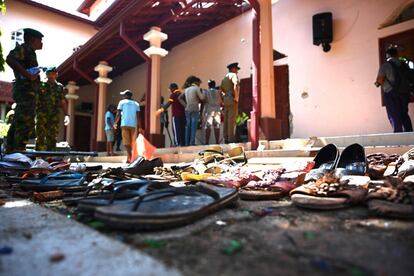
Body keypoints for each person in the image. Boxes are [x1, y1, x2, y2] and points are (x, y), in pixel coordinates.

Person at [5, 28, 44, 152]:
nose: (42, 43)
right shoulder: (25, 48)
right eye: (40, 40)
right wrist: (28, 75)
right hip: (25, 92)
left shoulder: (30, 51)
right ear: (33, 39)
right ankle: (19, 150)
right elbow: (10, 59)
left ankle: (11, 150)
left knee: (18, 120)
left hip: (27, 92)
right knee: (25, 122)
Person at [375, 46, 413, 133]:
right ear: (397, 54)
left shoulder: (385, 65)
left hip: (391, 93)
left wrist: (377, 84)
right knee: (404, 114)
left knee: (394, 115)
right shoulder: (404, 64)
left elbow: (379, 80)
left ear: (387, 55)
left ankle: (398, 137)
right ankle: (410, 135)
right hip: (405, 93)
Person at [35, 66, 69, 151]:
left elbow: (63, 101)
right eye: (48, 74)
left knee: (52, 137)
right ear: (46, 75)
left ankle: (50, 157)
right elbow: (35, 100)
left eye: (52, 74)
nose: (50, 76)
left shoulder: (59, 87)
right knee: (40, 136)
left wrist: (67, 114)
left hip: (54, 116)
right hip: (41, 115)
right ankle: (38, 158)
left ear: (56, 75)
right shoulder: (41, 85)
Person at [114, 90, 140, 163]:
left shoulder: (121, 102)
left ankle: (130, 157)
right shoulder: (136, 104)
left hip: (124, 124)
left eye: (123, 95)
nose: (123, 96)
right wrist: (140, 126)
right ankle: (130, 157)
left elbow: (118, 114)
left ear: (126, 96)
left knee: (126, 142)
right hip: (133, 125)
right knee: (132, 142)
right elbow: (138, 116)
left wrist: (115, 123)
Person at [178, 76, 205, 146]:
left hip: (187, 109)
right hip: (194, 109)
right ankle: (192, 142)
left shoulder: (186, 90)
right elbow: (202, 98)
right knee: (193, 127)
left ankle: (187, 143)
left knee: (188, 127)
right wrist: (203, 93)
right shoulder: (196, 88)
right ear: (196, 82)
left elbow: (179, 98)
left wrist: (185, 105)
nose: (199, 84)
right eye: (199, 83)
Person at [220, 62, 240, 143]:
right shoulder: (234, 75)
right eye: (236, 69)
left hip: (226, 100)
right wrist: (236, 97)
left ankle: (226, 138)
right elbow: (236, 85)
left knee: (226, 120)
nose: (237, 71)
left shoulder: (224, 78)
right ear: (233, 69)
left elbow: (220, 91)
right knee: (231, 120)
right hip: (232, 100)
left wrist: (222, 101)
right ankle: (231, 139)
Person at [203, 80, 222, 144]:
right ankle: (217, 142)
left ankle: (206, 142)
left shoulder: (206, 92)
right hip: (217, 110)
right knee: (217, 126)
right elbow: (221, 100)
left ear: (208, 85)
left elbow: (204, 100)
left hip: (209, 110)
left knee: (208, 127)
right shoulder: (218, 92)